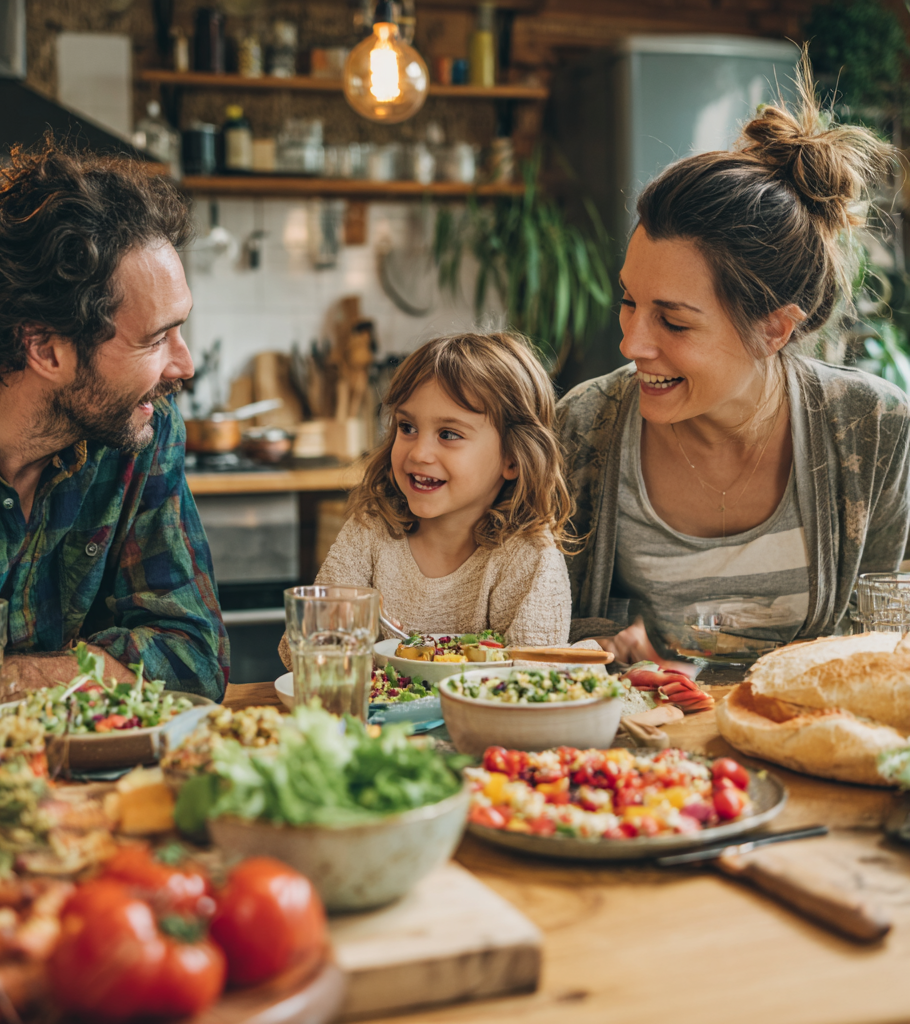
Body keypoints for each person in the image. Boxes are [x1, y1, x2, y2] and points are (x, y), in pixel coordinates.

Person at [558, 58, 910, 667]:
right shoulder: (585, 426)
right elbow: (539, 633)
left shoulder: (872, 427)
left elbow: (880, 644)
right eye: (629, 301)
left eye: (673, 321)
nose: (632, 344)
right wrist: (604, 645)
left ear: (774, 328)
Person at [0, 140, 230, 732]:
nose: (185, 364)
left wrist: (0, 681)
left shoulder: (140, 431)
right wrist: (90, 671)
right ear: (45, 349)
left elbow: (193, 657)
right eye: (155, 339)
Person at [281, 332, 573, 670]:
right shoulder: (371, 530)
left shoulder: (529, 557)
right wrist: (346, 636)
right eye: (407, 427)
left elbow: (533, 678)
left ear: (513, 458)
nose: (419, 453)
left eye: (448, 434)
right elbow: (299, 657)